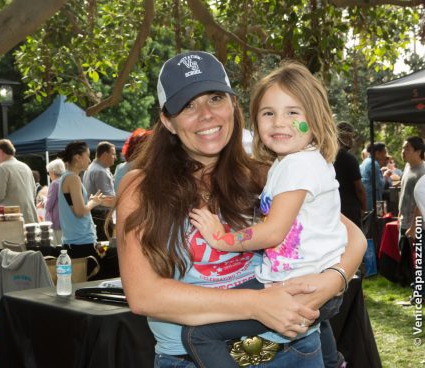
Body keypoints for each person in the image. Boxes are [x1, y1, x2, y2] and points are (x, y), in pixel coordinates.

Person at [115, 51, 366, 368]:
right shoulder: (140, 187)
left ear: (233, 106)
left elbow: (352, 235)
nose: (206, 114)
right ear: (168, 121)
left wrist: (333, 282)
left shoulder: (263, 174)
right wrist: (256, 305)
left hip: (295, 352)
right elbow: (143, 295)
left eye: (216, 98)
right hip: (192, 360)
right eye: (188, 105)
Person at [185, 61, 347, 368]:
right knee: (311, 327)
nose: (279, 122)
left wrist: (223, 239)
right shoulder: (292, 163)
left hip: (299, 287)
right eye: (268, 113)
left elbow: (273, 232)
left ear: (314, 119)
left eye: (292, 112)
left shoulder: (298, 165)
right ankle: (333, 361)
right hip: (309, 281)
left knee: (198, 336)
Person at [59, 141, 117, 279]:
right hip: (82, 244)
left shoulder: (68, 177)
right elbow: (79, 211)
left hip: (81, 242)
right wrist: (93, 202)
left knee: (109, 251)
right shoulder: (73, 178)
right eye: (87, 156)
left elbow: (75, 206)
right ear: (78, 157)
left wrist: (92, 201)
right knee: (114, 258)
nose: (90, 160)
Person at [0, 139, 38, 224]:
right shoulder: (25, 166)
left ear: (1, 152)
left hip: (13, 219)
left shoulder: (2, 167)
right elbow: (34, 191)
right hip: (30, 216)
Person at [334, 122, 366, 228]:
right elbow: (359, 188)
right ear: (346, 138)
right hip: (349, 209)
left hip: (333, 208)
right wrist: (363, 208)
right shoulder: (348, 159)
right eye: (351, 137)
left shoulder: (326, 156)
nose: (352, 141)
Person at [82, 141, 116, 240]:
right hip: (101, 217)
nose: (115, 157)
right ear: (105, 155)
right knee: (104, 251)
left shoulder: (93, 167)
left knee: (100, 249)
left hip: (96, 215)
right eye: (113, 154)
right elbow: (109, 200)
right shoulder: (100, 171)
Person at [398, 136, 425, 237]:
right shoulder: (407, 166)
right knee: (403, 253)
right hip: (403, 222)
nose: (403, 151)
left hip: (418, 227)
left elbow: (421, 202)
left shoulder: (423, 172)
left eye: (407, 149)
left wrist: (414, 227)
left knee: (417, 253)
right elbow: (404, 193)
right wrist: (399, 215)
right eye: (403, 148)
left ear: (418, 152)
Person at [360, 142, 391, 211]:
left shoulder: (366, 161)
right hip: (372, 201)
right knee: (375, 220)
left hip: (367, 200)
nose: (385, 156)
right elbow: (379, 185)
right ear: (377, 153)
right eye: (384, 153)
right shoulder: (374, 163)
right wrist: (385, 176)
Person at [45, 158, 66, 244]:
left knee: (57, 246)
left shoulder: (54, 184)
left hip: (56, 221)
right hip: (65, 220)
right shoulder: (66, 181)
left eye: (48, 172)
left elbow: (48, 205)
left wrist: (44, 201)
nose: (49, 175)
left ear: (52, 172)